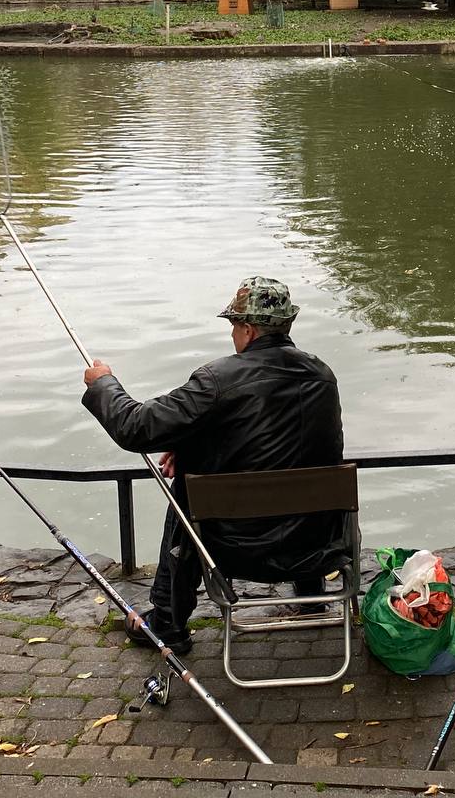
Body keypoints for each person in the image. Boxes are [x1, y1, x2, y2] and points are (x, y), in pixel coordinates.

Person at [81, 276, 345, 654]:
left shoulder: (218, 380)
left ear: (249, 330)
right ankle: (310, 593)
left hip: (234, 549)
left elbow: (136, 429)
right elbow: (296, 445)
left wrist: (103, 385)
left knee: (188, 492)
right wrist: (189, 447)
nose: (233, 336)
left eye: (234, 326)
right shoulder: (322, 376)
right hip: (316, 543)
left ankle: (168, 623)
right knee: (301, 476)